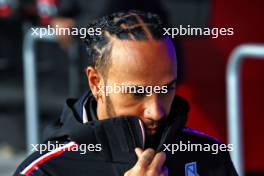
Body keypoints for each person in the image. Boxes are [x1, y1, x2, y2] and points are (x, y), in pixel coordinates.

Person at [14, 10, 238, 176]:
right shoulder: (45, 171)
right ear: (96, 83)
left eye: (167, 89)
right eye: (137, 92)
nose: (156, 111)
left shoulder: (210, 155)